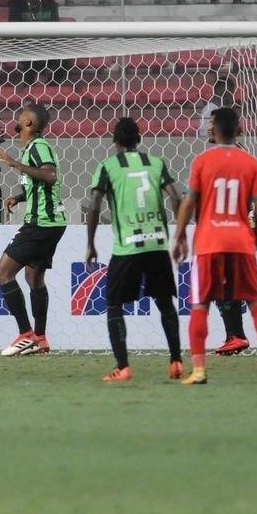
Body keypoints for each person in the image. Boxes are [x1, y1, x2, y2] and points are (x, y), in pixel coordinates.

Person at [172, 106, 257, 385]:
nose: (207, 127)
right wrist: (256, 234)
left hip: (209, 242)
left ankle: (198, 371)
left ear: (216, 128)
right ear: (238, 130)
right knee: (255, 301)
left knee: (200, 306)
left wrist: (180, 234)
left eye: (210, 123)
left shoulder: (202, 161)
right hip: (241, 240)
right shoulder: (251, 163)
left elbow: (190, 201)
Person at [85, 117, 183, 382]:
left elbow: (94, 205)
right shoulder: (155, 163)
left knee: (114, 304)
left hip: (127, 247)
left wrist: (90, 243)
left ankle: (123, 366)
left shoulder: (108, 166)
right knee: (165, 303)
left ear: (114, 141)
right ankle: (176, 361)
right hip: (157, 244)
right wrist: (181, 234)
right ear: (139, 139)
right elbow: (176, 197)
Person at [0, 103, 65, 356]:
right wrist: (19, 197)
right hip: (50, 223)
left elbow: (50, 176)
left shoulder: (38, 147)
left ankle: (25, 334)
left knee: (2, 273)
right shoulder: (32, 148)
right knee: (34, 278)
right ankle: (41, 339)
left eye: (21, 116)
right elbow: (40, 184)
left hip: (41, 223)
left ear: (29, 123)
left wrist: (12, 163)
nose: (17, 118)